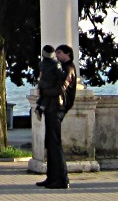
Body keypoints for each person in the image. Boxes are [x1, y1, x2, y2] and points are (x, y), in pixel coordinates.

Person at [37, 44, 76, 190]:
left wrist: (45, 91)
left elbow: (61, 89)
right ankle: (51, 177)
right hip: (52, 107)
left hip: (57, 108)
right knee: (50, 143)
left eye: (59, 53)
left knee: (55, 144)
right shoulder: (59, 68)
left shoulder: (68, 69)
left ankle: (61, 179)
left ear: (68, 54)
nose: (57, 56)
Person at [35, 44, 60, 120]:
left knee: (43, 96)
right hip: (51, 85)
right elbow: (59, 74)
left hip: (42, 85)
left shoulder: (41, 64)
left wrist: (38, 87)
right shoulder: (56, 64)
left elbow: (40, 75)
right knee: (48, 96)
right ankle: (40, 109)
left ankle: (38, 108)